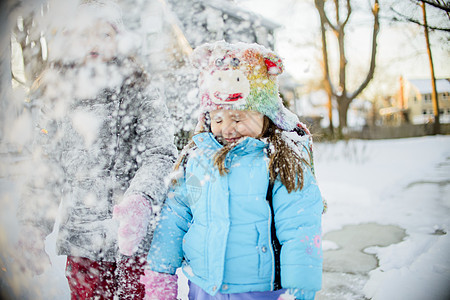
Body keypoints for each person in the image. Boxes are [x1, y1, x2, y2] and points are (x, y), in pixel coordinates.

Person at [16, 2, 177, 299]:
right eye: (83, 35)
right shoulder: (58, 98)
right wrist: (32, 227)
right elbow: (47, 169)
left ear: (120, 41)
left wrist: (140, 198)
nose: (93, 43)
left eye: (104, 34)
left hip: (135, 242)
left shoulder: (140, 89)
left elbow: (161, 152)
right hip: (83, 244)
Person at [140, 41, 323, 300]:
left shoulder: (280, 160)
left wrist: (300, 286)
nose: (227, 128)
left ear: (265, 115)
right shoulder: (198, 157)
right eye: (217, 119)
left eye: (238, 118)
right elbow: (175, 216)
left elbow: (299, 224)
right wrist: (160, 271)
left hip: (258, 289)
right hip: (204, 287)